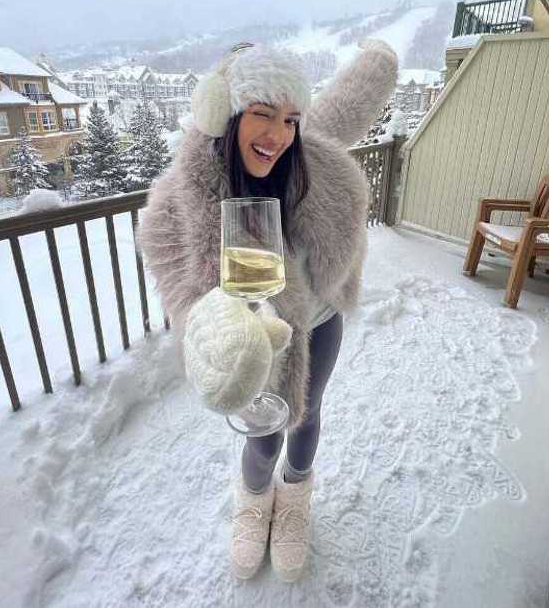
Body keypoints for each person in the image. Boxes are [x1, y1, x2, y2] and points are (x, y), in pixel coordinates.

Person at [138, 40, 397, 581]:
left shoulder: (309, 163)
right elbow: (175, 283)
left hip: (320, 319)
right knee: (262, 431)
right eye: (262, 115)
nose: (279, 135)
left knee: (307, 412)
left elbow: (345, 106)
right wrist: (213, 332)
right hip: (251, 336)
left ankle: (295, 496)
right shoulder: (182, 198)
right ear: (226, 115)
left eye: (291, 120)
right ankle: (254, 501)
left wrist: (379, 62)